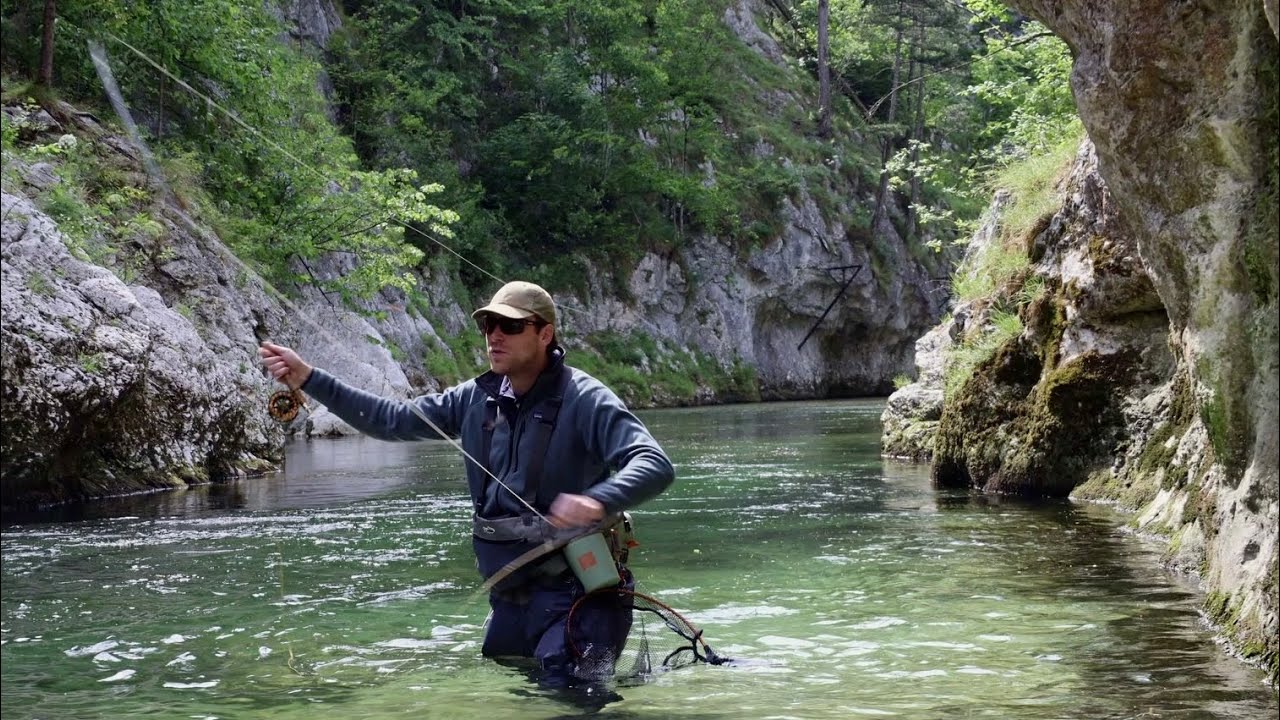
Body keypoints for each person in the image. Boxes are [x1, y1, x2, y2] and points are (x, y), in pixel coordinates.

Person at [259, 280, 675, 685]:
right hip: (510, 602)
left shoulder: (587, 398)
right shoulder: (473, 398)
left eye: (510, 326)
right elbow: (392, 421)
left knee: (572, 702)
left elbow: (654, 463)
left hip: (579, 599)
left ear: (545, 333)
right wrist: (309, 379)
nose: (495, 336)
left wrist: (599, 500)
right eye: (488, 325)